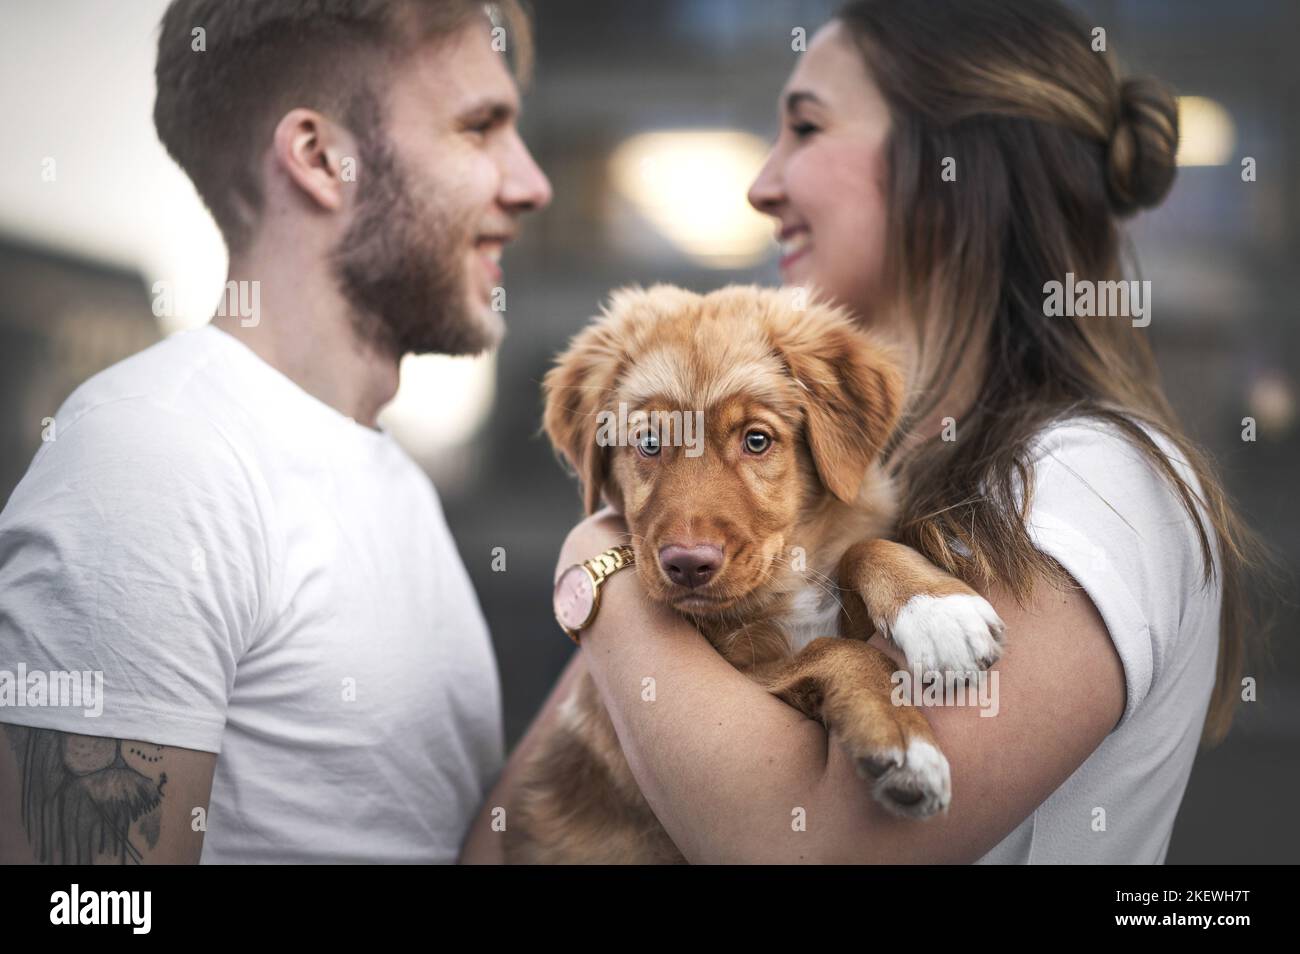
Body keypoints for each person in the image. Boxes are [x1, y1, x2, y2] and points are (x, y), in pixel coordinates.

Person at [461, 0, 1263, 864]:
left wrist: (598, 566)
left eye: (806, 126)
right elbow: (511, 831)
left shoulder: (1095, 483)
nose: (763, 184)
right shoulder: (867, 471)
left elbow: (809, 847)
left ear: (950, 162)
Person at [0, 0, 551, 864]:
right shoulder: (156, 456)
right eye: (480, 128)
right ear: (320, 159)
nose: (530, 183)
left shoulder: (386, 473)